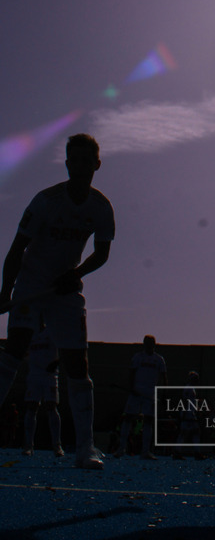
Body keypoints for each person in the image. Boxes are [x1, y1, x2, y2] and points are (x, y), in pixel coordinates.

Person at [0, 133, 114, 469]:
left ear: (96, 164)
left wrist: (75, 273)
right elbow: (16, 249)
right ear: (66, 164)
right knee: (14, 353)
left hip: (65, 291)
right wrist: (6, 291)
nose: (79, 166)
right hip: (32, 285)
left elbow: (102, 253)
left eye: (85, 160)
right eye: (73, 160)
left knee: (78, 365)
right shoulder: (45, 201)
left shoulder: (101, 208)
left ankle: (85, 449)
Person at [115, 335, 167, 459]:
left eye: (151, 343)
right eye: (147, 343)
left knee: (149, 421)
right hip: (136, 392)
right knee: (128, 418)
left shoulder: (159, 359)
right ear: (143, 344)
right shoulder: (138, 357)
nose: (149, 345)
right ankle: (121, 448)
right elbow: (131, 373)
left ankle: (145, 451)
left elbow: (164, 377)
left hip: (150, 394)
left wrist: (164, 393)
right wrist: (132, 388)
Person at [22, 322, 64, 457]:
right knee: (31, 407)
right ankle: (28, 446)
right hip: (34, 375)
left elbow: (63, 351)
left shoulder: (52, 332)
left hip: (49, 376)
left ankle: (57, 446)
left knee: (51, 407)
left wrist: (56, 363)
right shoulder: (29, 334)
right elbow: (26, 354)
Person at [172, 370, 203, 459]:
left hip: (191, 413)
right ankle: (178, 452)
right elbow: (185, 401)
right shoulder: (188, 388)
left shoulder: (192, 388)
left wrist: (197, 409)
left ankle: (195, 452)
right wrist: (185, 413)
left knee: (195, 432)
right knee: (185, 433)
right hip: (188, 414)